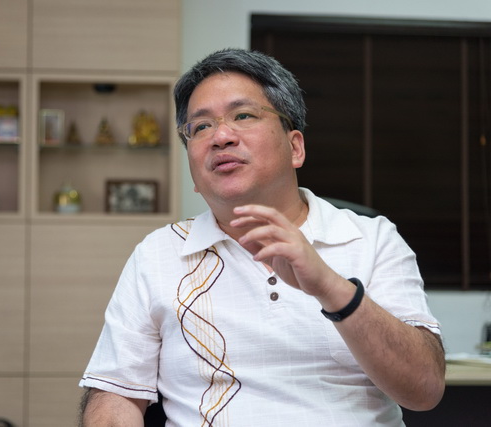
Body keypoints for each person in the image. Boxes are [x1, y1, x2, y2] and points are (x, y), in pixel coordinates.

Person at [78, 48, 445, 426]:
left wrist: (330, 287)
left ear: (295, 147)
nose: (220, 136)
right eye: (201, 127)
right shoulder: (158, 254)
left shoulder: (371, 238)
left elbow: (424, 389)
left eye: (243, 115)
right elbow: (114, 397)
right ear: (193, 171)